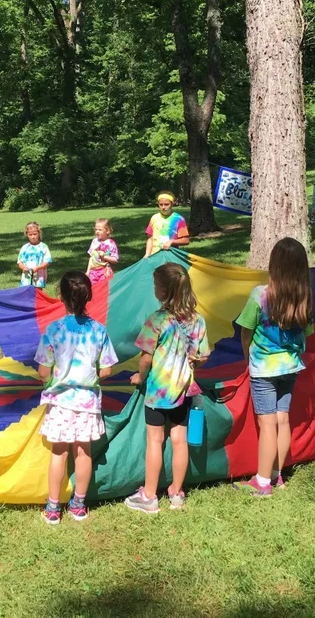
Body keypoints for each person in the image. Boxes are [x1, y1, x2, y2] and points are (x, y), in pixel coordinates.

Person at [124, 263, 209, 513]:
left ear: (163, 290)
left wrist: (140, 377)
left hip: (159, 393)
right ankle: (176, 493)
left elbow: (145, 358)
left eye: (155, 285)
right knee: (180, 440)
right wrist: (194, 362)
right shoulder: (197, 321)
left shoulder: (157, 320)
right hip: (183, 391)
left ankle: (149, 496)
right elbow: (203, 356)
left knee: (155, 440)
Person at [232, 237, 313, 497]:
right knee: (282, 419)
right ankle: (277, 474)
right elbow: (306, 334)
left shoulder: (260, 294)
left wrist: (247, 358)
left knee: (267, 424)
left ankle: (262, 481)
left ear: (274, 265)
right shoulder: (304, 297)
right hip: (290, 367)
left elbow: (245, 331)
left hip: (264, 369)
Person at [36, 271, 119, 524]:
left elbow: (43, 371)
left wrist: (50, 380)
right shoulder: (98, 330)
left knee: (58, 453)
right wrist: (90, 377)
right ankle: (79, 506)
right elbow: (107, 369)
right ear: (88, 297)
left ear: (61, 296)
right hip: (88, 402)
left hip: (61, 402)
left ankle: (53, 508)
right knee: (84, 453)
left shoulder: (54, 329)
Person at [144, 192, 190, 258]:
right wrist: (147, 253)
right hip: (155, 255)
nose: (163, 207)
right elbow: (150, 238)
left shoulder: (178, 219)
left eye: (166, 204)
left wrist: (172, 242)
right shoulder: (154, 218)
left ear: (172, 204)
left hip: (171, 256)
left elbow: (186, 240)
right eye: (161, 204)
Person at [17, 222, 52, 288]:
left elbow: (47, 261)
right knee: (26, 292)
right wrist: (24, 268)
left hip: (39, 277)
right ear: (27, 234)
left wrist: (38, 268)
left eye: (35, 234)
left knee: (37, 292)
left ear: (39, 233)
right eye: (30, 235)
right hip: (26, 277)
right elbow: (19, 262)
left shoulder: (43, 247)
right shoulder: (24, 248)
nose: (33, 237)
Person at [86, 218, 119, 285]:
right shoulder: (94, 241)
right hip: (93, 272)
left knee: (104, 288)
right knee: (93, 288)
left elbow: (115, 260)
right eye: (96, 229)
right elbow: (91, 258)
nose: (97, 232)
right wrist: (88, 271)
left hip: (104, 271)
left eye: (100, 230)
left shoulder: (111, 243)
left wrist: (104, 257)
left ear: (107, 231)